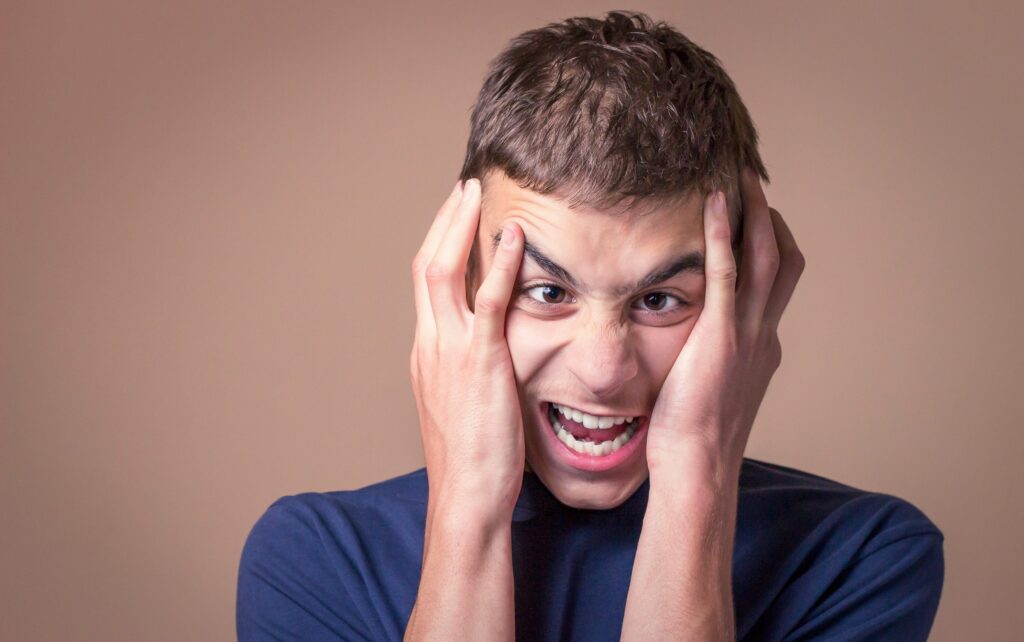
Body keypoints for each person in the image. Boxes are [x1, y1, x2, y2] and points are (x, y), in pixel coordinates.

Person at [237, 11, 944, 641]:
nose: (604, 372)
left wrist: (696, 478)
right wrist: (469, 513)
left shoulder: (860, 558)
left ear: (747, 304)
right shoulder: (314, 562)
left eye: (660, 300)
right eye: (547, 291)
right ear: (464, 286)